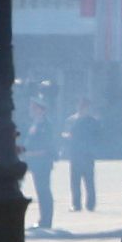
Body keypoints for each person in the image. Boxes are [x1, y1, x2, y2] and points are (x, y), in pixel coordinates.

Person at [22, 99, 58, 231]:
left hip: (43, 163)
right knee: (40, 191)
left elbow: (47, 146)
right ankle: (43, 219)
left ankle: (46, 220)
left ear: (41, 110)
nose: (31, 110)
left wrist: (31, 154)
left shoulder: (46, 125)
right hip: (35, 163)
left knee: (44, 191)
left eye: (34, 108)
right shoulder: (34, 124)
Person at [63, 99, 102, 211]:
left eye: (85, 106)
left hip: (87, 154)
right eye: (80, 106)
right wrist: (66, 138)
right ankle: (76, 204)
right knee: (75, 180)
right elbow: (65, 134)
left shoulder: (92, 121)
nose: (82, 108)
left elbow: (97, 137)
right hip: (74, 154)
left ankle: (90, 204)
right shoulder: (70, 120)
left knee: (89, 180)